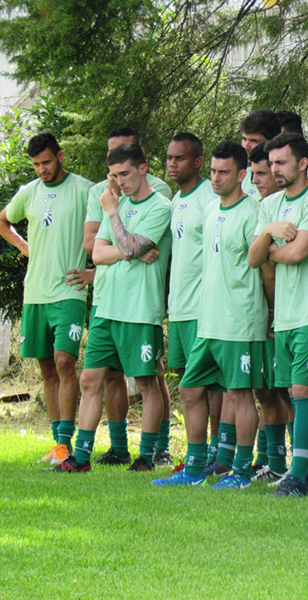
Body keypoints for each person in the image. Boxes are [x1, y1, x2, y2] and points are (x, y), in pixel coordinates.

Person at [53, 143, 172, 472]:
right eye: (115, 176)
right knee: (89, 380)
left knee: (146, 382)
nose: (120, 182)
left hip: (139, 309)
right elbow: (98, 254)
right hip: (105, 307)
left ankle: (145, 456)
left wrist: (116, 221)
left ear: (143, 169)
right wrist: (129, 248)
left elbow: (127, 248)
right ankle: (81, 457)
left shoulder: (159, 207)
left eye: (125, 174)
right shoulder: (116, 205)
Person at [153, 142, 265, 487]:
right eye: (213, 171)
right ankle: (195, 468)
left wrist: (270, 312)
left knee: (239, 395)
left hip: (240, 321)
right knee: (189, 389)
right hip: (208, 320)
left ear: (242, 175)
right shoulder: (211, 209)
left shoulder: (254, 213)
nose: (216, 178)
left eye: (224, 172)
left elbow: (264, 267)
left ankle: (241, 472)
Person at [249, 132, 308, 497]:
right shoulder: (270, 205)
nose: (275, 169)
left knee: (304, 389)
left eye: (282, 162)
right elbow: (253, 258)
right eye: (271, 163)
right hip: (286, 314)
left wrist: (269, 248)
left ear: (303, 163)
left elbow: (298, 252)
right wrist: (269, 233)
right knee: (294, 391)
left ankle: (298, 475)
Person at [0, 132, 93, 465]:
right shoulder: (29, 193)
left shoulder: (84, 189)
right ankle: (57, 445)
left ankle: (67, 442)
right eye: (37, 164)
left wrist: (94, 271)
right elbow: (3, 220)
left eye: (47, 162)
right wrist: (24, 247)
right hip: (35, 293)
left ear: (60, 156)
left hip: (69, 290)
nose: (42, 169)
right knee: (46, 367)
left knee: (65, 361)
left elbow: (109, 226)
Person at [161, 133, 223, 473]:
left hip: (203, 308)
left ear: (198, 162)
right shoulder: (176, 199)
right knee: (188, 382)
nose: (172, 164)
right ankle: (200, 452)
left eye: (179, 158)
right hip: (179, 309)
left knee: (208, 385)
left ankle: (217, 453)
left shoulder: (208, 197)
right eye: (169, 158)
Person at [248, 142, 291, 482]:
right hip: (261, 312)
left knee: (295, 391)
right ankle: (273, 461)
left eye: (262, 172)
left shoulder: (298, 206)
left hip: (288, 313)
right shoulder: (263, 209)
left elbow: (270, 268)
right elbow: (256, 259)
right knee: (266, 390)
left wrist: (274, 309)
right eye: (255, 174)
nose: (258, 180)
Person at [240, 109, 283, 201]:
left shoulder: (286, 179)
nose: (246, 146)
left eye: (254, 141)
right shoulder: (242, 176)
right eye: (244, 139)